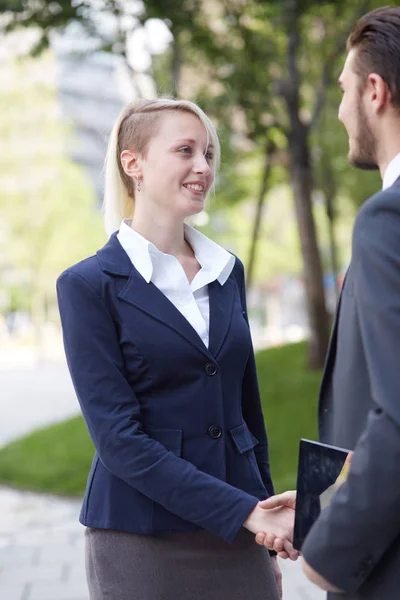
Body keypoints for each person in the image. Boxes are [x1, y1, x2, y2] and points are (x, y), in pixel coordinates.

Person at [56, 98, 296, 600]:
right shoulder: (87, 285)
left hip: (238, 535)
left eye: (208, 153)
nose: (203, 167)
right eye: (185, 151)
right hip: (142, 539)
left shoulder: (226, 271)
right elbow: (119, 441)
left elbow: (245, 414)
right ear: (133, 164)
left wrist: (266, 527)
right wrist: (246, 511)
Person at [258, 6, 400, 600]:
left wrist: (330, 552)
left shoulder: (387, 221)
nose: (341, 110)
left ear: (374, 91)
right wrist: (324, 503)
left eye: (343, 91)